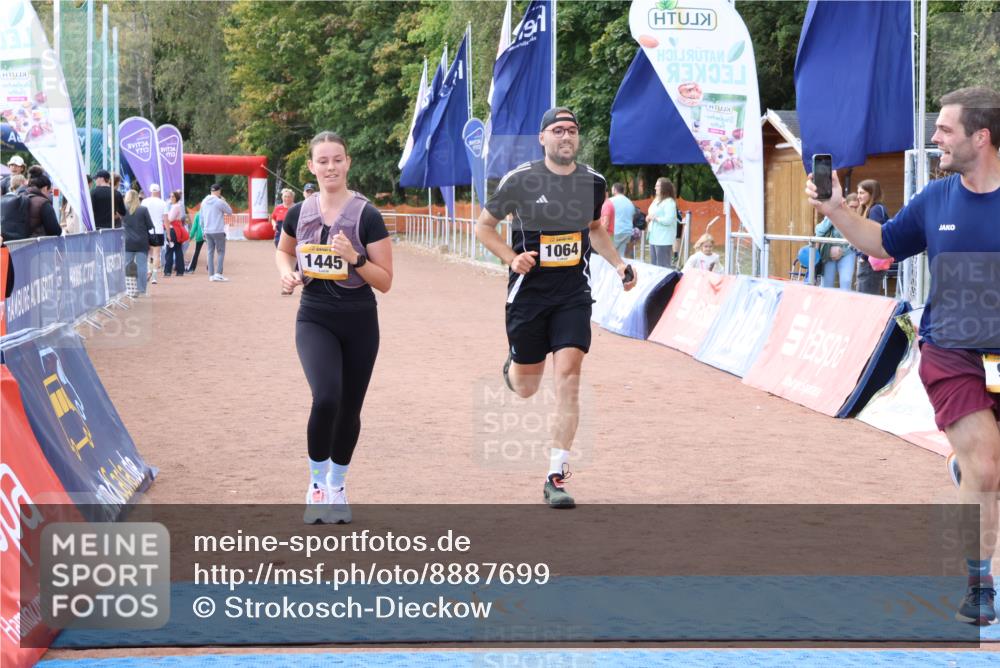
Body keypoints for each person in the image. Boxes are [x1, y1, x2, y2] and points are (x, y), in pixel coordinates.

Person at [806, 86, 1000, 626]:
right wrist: (837, 209)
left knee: (988, 471)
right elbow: (882, 242)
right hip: (950, 350)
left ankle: (966, 473)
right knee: (986, 464)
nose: (934, 137)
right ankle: (979, 585)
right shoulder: (936, 199)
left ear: (980, 137)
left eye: (945, 129)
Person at [474, 107, 637, 509]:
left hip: (572, 295)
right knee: (527, 388)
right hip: (528, 296)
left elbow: (594, 228)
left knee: (568, 373)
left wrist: (618, 264)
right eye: (558, 130)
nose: (566, 136)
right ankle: (513, 366)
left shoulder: (592, 182)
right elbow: (483, 227)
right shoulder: (521, 180)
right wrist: (512, 258)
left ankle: (555, 474)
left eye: (573, 130)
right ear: (543, 138)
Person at [276, 131, 393, 525]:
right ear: (311, 166)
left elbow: (385, 280)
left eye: (337, 159)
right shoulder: (298, 212)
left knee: (350, 408)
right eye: (322, 161)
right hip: (315, 315)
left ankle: (338, 485)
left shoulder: (367, 215)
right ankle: (316, 485)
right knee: (326, 397)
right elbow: (283, 251)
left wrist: (355, 258)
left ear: (348, 163)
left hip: (360, 318)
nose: (330, 167)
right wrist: (287, 275)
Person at [853, 179, 889, 294]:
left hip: (870, 262)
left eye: (862, 193)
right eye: (858, 193)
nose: (858, 196)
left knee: (865, 299)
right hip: (869, 260)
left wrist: (863, 257)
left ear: (872, 193)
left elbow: (874, 235)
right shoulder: (869, 209)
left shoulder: (875, 210)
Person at [816, 192, 858, 290]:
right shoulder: (836, 213)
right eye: (851, 206)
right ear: (846, 205)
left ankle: (844, 304)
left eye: (856, 207)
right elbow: (819, 230)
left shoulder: (859, 218)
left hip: (848, 252)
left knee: (846, 282)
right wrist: (833, 216)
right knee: (827, 284)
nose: (854, 209)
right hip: (830, 252)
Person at [121, 190, 153, 296]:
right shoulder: (143, 210)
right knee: (142, 266)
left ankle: (126, 288)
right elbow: (150, 225)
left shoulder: (123, 210)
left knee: (125, 265)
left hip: (127, 241)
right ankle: (141, 289)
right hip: (142, 242)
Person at [200, 183, 233, 281]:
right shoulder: (220, 202)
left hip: (207, 230)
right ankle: (218, 273)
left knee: (210, 252)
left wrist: (203, 231)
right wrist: (224, 201)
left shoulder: (204, 202)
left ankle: (211, 275)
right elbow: (230, 212)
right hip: (218, 230)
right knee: (221, 252)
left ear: (211, 191)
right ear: (218, 191)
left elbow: (201, 218)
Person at [647, 177, 679, 268]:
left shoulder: (669, 202)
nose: (655, 188)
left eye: (657, 186)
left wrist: (655, 218)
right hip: (654, 238)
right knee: (654, 265)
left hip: (663, 239)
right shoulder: (656, 200)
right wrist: (648, 218)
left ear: (664, 188)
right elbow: (651, 214)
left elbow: (668, 220)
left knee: (663, 266)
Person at [23, 166, 62, 238]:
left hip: (17, 245)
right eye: (50, 191)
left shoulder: (20, 197)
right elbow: (55, 231)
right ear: (45, 188)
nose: (50, 194)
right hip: (37, 245)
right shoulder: (44, 203)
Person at [142, 184, 168, 284]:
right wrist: (169, 234)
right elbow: (166, 219)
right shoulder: (163, 203)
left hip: (147, 230)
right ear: (159, 191)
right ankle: (154, 276)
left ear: (150, 191)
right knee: (157, 254)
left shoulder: (144, 201)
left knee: (149, 254)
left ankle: (149, 271)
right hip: (158, 230)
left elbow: (142, 216)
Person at [608, 183, 635, 259]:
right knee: (621, 256)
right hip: (627, 232)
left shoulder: (611, 201)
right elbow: (632, 217)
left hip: (615, 231)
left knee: (609, 255)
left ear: (615, 190)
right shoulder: (630, 202)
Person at [163, 190, 186, 277]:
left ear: (176, 198)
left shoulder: (175, 207)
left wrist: (165, 218)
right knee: (178, 250)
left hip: (173, 231)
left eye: (172, 196)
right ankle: (180, 271)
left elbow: (170, 219)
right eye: (170, 196)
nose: (171, 198)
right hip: (177, 230)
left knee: (170, 250)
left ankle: (168, 271)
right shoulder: (177, 206)